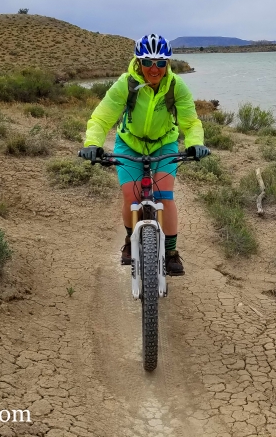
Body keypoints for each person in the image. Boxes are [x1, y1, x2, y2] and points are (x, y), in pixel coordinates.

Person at [79, 34, 209, 276]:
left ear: (167, 64)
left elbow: (191, 122)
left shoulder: (175, 86)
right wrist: (92, 143)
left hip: (165, 143)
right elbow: (101, 117)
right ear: (138, 62)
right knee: (131, 194)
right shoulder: (125, 84)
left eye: (161, 63)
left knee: (164, 195)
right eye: (148, 62)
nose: (154, 68)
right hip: (129, 143)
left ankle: (170, 253)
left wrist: (195, 143)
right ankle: (130, 241)